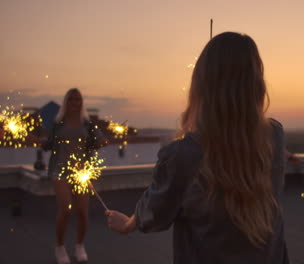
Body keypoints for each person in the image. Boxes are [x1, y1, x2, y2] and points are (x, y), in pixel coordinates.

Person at [106, 32, 290, 263]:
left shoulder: (184, 155)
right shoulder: (274, 135)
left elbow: (156, 214)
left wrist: (129, 223)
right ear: (255, 83)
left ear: (202, 85)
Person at [42, 88, 107, 264]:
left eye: (77, 99)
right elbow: (47, 145)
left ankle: (79, 245)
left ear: (81, 102)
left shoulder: (87, 123)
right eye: (71, 99)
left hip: (81, 172)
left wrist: (103, 141)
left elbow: (99, 141)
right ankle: (60, 247)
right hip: (60, 170)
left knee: (82, 213)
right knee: (65, 208)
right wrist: (28, 138)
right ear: (66, 102)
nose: (74, 102)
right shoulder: (58, 124)